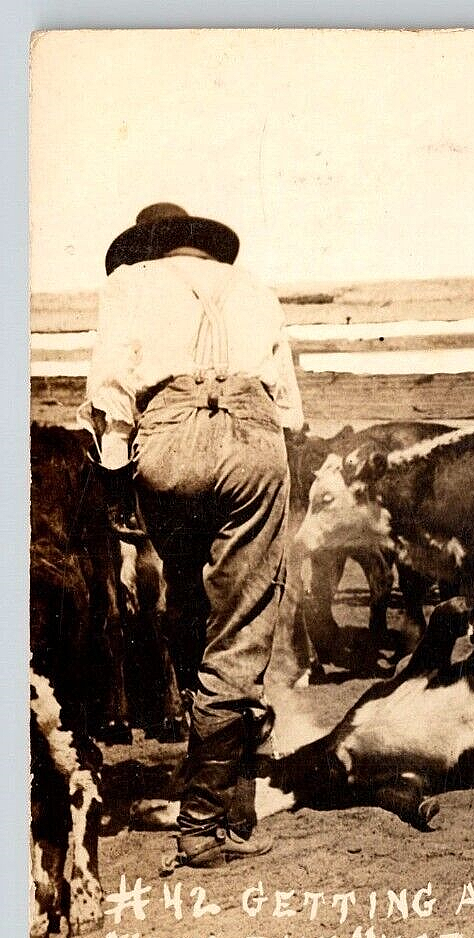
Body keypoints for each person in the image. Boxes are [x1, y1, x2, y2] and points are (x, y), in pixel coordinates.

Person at [81, 203, 303, 869]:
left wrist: (119, 481)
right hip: (253, 440)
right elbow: (288, 409)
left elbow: (111, 390)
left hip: (168, 442)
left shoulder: (128, 282)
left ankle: (220, 801)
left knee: (188, 606)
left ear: (149, 246)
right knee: (242, 625)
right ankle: (212, 818)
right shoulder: (254, 287)